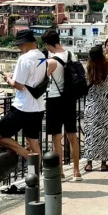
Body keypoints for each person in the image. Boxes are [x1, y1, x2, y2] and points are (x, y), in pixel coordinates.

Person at [0, 28, 46, 163]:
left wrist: (8, 79)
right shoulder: (43, 56)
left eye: (19, 45)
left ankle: (26, 155)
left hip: (22, 107)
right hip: (38, 107)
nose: (19, 48)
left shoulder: (24, 58)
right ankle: (37, 175)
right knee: (34, 142)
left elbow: (19, 85)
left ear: (24, 43)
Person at [43, 27, 82, 181]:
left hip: (55, 98)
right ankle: (77, 171)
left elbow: (41, 78)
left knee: (56, 137)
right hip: (70, 98)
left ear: (47, 45)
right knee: (72, 135)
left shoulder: (51, 62)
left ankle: (59, 172)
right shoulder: (72, 55)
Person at [82, 43, 108, 172]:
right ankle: (103, 163)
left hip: (91, 104)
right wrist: (106, 59)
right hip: (106, 103)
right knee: (106, 133)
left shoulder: (89, 70)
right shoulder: (107, 69)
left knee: (90, 133)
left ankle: (89, 163)